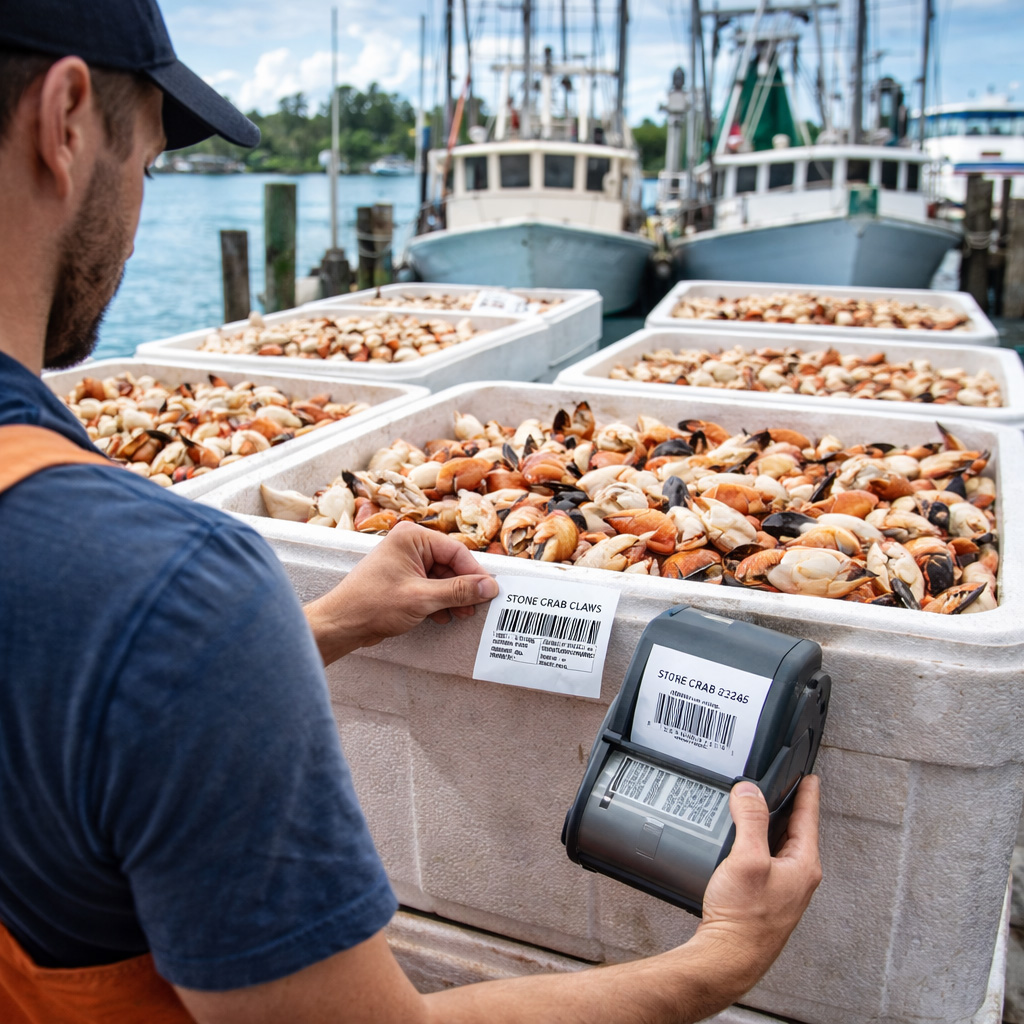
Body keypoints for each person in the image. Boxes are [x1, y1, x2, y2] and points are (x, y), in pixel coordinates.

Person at [0, 1, 823, 1022]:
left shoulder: (135, 606)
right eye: (150, 160)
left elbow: (59, 687)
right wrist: (723, 960)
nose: (133, 211)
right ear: (68, 119)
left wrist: (325, 623)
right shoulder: (167, 591)